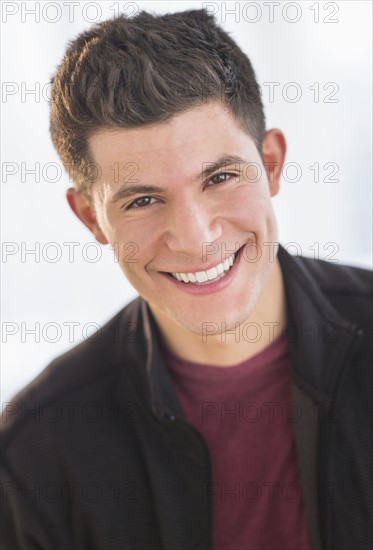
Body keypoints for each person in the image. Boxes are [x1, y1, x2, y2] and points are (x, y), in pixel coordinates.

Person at [1, 9, 371, 550]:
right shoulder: (37, 451)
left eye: (220, 177)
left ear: (270, 164)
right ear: (90, 218)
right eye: (144, 200)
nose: (195, 239)